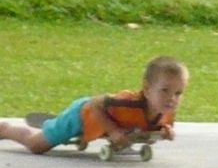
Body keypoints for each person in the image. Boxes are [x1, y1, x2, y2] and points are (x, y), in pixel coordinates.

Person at [3, 56, 187, 155]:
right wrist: (114, 131)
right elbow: (94, 103)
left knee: (54, 135)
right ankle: (5, 129)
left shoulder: (165, 110)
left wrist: (163, 131)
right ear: (147, 89)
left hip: (100, 125)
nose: (172, 98)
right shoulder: (128, 102)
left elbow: (143, 132)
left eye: (178, 93)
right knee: (37, 145)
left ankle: (55, 125)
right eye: (165, 91)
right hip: (82, 115)